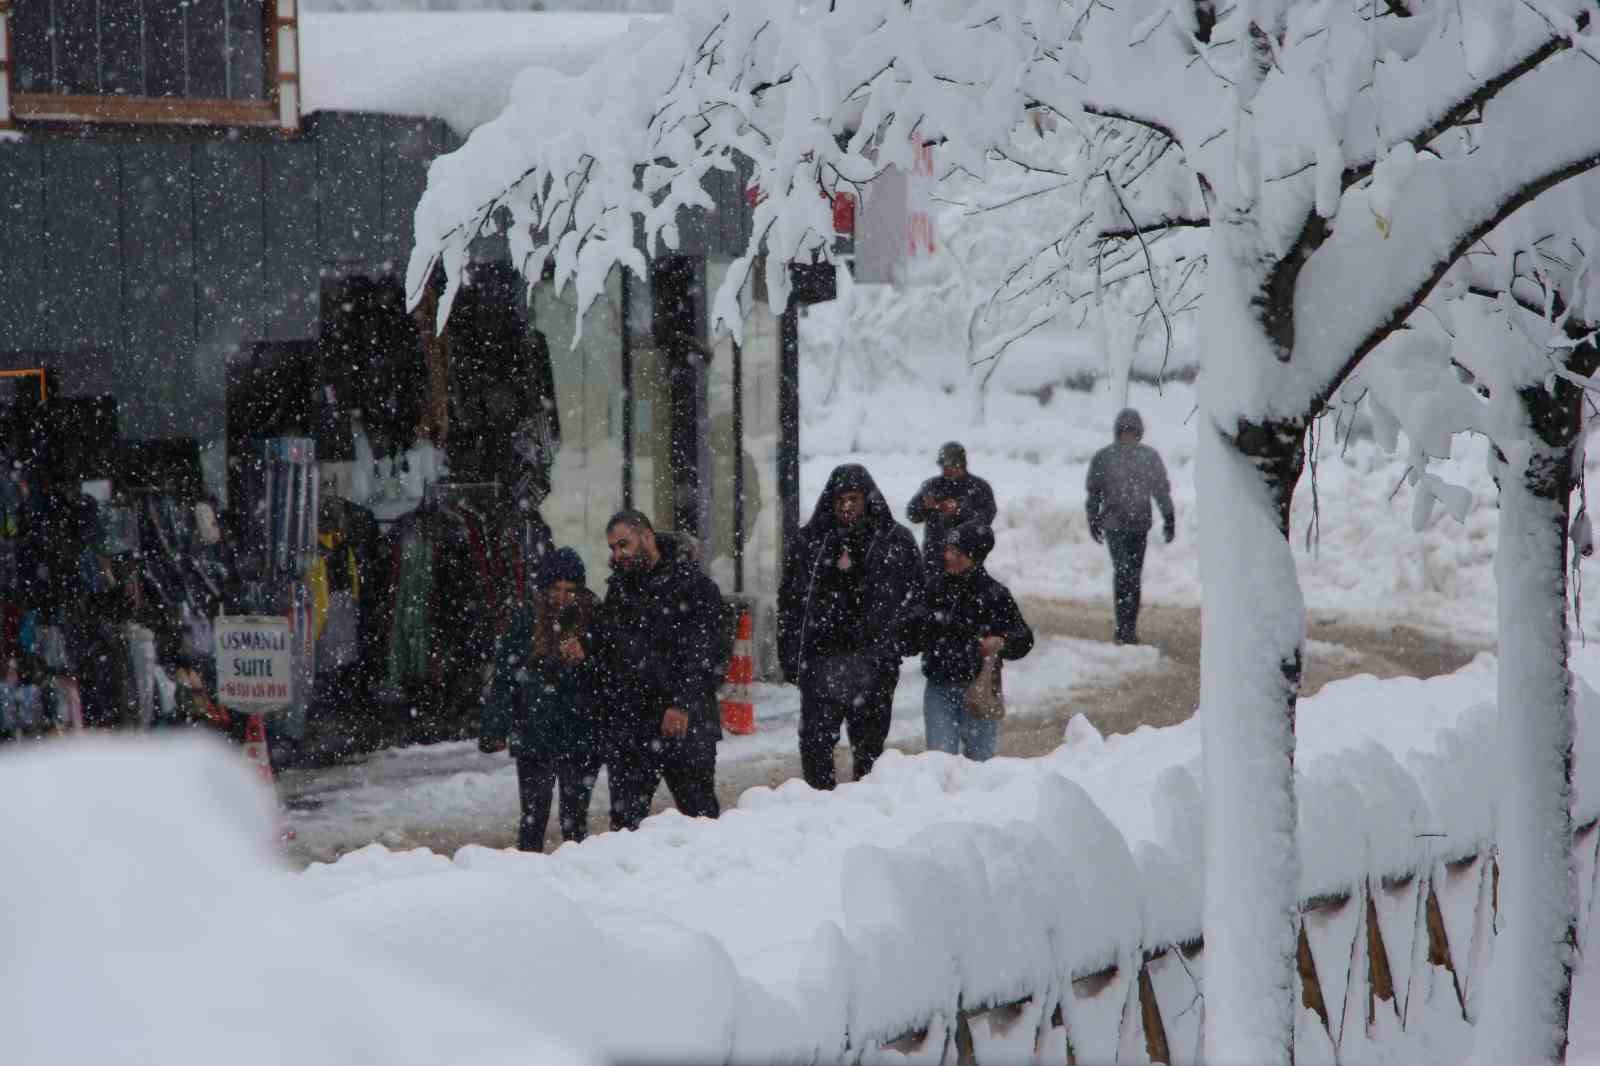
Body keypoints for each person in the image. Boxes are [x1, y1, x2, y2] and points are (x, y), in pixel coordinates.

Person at [778, 464, 921, 790]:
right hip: (821, 660)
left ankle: (863, 810)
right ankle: (819, 807)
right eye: (840, 499)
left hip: (874, 662)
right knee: (815, 745)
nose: (846, 506)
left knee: (870, 751)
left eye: (853, 498)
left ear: (867, 500)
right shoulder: (810, 541)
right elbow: (790, 602)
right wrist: (790, 654)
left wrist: (900, 639)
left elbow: (918, 596)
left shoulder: (895, 541)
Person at [588, 510, 727, 831]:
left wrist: (681, 703)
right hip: (632, 725)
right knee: (625, 827)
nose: (617, 554)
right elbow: (612, 649)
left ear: (647, 537)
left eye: (624, 544)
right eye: (612, 548)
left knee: (700, 820)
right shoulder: (620, 590)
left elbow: (707, 654)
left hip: (685, 722)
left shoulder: (694, 586)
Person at [478, 547, 603, 852]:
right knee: (533, 818)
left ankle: (575, 879)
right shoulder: (525, 620)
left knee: (575, 819)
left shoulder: (595, 619)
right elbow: (505, 677)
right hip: (536, 728)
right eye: (556, 588)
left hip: (580, 729)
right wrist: (496, 726)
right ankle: (528, 881)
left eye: (570, 589)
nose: (562, 596)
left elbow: (608, 672)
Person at [910, 521, 1034, 762]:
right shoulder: (934, 589)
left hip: (981, 689)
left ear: (974, 555)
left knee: (981, 766)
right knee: (939, 764)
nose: (949, 557)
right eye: (947, 550)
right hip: (939, 688)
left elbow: (1025, 639)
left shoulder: (995, 594)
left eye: (957, 553)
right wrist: (918, 627)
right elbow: (910, 637)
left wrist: (1002, 641)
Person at [1085, 407, 1175, 645]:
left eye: (1132, 432)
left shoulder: (1149, 458)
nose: (1128, 437)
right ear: (1118, 433)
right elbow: (1094, 492)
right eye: (1124, 432)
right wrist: (1092, 518)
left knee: (1132, 576)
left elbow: (1161, 490)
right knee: (1124, 572)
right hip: (1114, 525)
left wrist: (1169, 517)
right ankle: (1122, 628)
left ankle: (1128, 628)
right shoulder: (1104, 457)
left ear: (1139, 433)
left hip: (1138, 525)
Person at [907, 441, 998, 578]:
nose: (944, 469)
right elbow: (912, 514)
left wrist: (959, 510)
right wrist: (925, 507)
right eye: (942, 465)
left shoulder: (979, 487)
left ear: (959, 464)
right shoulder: (933, 485)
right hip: (933, 561)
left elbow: (986, 517)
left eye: (947, 465)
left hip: (966, 561)